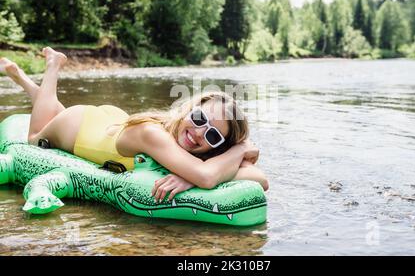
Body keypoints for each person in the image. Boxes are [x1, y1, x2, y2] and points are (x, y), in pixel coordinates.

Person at [0, 47, 268, 202]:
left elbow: (262, 180)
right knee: (35, 136)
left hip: (110, 123)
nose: (198, 133)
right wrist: (240, 151)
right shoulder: (153, 134)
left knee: (50, 111)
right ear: (190, 109)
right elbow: (208, 176)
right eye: (200, 119)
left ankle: (21, 78)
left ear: (217, 147)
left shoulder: (188, 148)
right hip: (78, 126)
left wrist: (193, 176)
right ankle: (53, 65)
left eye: (212, 136)